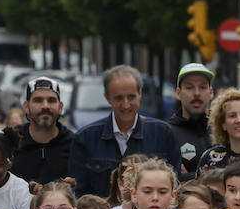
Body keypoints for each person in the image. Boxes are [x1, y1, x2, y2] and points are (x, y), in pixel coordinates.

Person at [69, 65, 180, 196]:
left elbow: (174, 186)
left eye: (131, 97)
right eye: (118, 98)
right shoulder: (85, 138)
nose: (126, 104)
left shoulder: (162, 134)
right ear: (107, 98)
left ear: (140, 94)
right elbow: (78, 193)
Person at [11, 76, 73, 186]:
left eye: (51, 100)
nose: (45, 106)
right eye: (38, 100)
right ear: (26, 106)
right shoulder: (10, 141)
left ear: (60, 107)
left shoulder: (74, 144)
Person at [169, 62, 215, 180]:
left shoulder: (222, 130)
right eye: (189, 87)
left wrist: (189, 176)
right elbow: (169, 179)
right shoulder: (167, 133)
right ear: (178, 93)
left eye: (203, 87)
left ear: (211, 93)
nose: (196, 93)